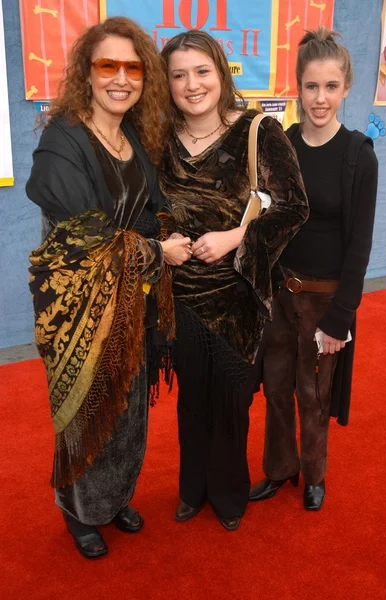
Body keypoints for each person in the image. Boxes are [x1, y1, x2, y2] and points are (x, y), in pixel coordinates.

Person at [26, 17, 191, 559]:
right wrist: (155, 253)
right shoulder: (62, 140)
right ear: (87, 73)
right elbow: (86, 238)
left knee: (126, 409)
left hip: (130, 304)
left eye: (133, 67)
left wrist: (167, 230)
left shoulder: (132, 139)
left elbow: (147, 212)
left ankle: (114, 497)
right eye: (107, 66)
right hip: (77, 311)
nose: (121, 78)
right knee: (86, 409)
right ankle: (79, 512)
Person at [159, 30, 309, 531]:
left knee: (232, 399)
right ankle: (192, 490)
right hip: (180, 295)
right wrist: (165, 239)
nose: (191, 84)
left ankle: (227, 495)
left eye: (201, 71)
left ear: (221, 73)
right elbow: (146, 208)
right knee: (192, 400)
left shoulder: (259, 130)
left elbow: (293, 207)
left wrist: (235, 237)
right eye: (178, 75)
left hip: (239, 296)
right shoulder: (158, 136)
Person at [250, 26, 378, 511]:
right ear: (296, 87)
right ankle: (280, 469)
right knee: (277, 386)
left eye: (330, 87)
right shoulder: (280, 144)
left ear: (345, 88)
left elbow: (361, 246)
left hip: (326, 300)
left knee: (314, 393)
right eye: (310, 86)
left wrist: (340, 317)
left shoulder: (357, 156)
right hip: (280, 295)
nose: (319, 98)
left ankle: (314, 475)